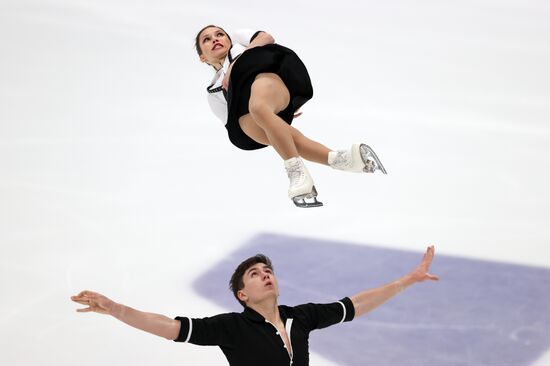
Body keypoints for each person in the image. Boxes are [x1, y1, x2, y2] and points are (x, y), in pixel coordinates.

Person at [71, 246, 438, 366]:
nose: (265, 275)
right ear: (241, 295)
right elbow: (169, 326)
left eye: (268, 271)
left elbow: (354, 305)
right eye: (254, 274)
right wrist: (117, 308)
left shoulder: (301, 317)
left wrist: (406, 281)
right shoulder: (231, 327)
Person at [195, 25, 387, 208]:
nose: (215, 39)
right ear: (203, 57)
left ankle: (296, 173)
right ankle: (343, 160)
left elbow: (266, 38)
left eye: (219, 34)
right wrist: (275, 117)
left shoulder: (238, 42)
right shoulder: (213, 93)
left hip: (268, 78)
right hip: (258, 110)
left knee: (258, 107)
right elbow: (233, 124)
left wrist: (236, 64)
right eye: (207, 39)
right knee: (263, 127)